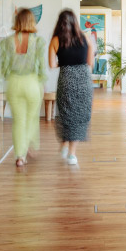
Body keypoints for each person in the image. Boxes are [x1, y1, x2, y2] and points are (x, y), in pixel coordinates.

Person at [0, 8, 46, 168]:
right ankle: (29, 146)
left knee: (18, 121)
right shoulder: (38, 42)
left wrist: (9, 75)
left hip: (13, 83)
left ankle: (20, 156)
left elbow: (3, 68)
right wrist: (42, 83)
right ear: (32, 22)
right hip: (32, 83)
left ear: (17, 22)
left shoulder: (6, 42)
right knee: (31, 119)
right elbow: (41, 68)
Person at [48, 9, 94, 165]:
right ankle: (72, 155)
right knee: (80, 116)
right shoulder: (85, 38)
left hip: (66, 79)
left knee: (65, 114)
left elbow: (52, 64)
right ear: (75, 21)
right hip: (83, 80)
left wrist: (65, 63)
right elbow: (90, 63)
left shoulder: (55, 40)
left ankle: (63, 145)